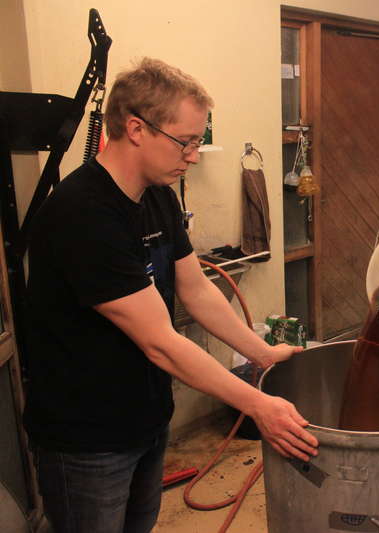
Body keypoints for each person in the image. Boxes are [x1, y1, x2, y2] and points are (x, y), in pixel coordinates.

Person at [23, 57, 318, 533]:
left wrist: (261, 354)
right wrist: (257, 404)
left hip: (146, 418)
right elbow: (160, 340)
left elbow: (197, 290)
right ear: (136, 128)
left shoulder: (157, 194)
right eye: (186, 141)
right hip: (89, 437)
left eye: (198, 141)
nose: (194, 155)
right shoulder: (83, 215)